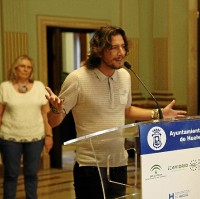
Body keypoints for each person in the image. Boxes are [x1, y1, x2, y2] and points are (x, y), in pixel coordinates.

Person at [45, 25, 187, 199]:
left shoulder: (124, 76)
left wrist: (158, 114)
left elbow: (126, 110)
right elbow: (54, 121)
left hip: (119, 162)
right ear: (98, 50)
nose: (121, 52)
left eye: (123, 46)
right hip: (90, 165)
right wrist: (55, 109)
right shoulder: (77, 79)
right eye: (114, 47)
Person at [0, 55, 53, 199]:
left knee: (31, 174)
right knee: (11, 174)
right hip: (9, 137)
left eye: (29, 67)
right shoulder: (5, 87)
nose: (26, 69)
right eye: (23, 66)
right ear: (15, 68)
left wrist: (49, 136)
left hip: (35, 137)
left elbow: (45, 114)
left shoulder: (39, 87)